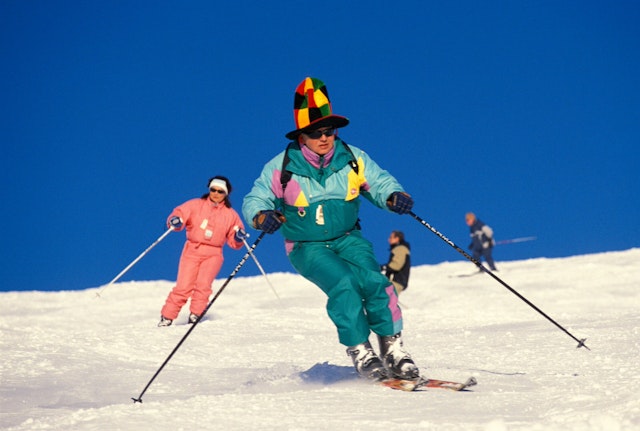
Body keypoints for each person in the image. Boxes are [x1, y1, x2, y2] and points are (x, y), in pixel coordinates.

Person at [242, 77, 419, 381]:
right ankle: (361, 351)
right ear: (302, 135)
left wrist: (393, 196)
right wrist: (261, 216)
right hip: (306, 246)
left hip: (349, 238)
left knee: (375, 282)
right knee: (345, 283)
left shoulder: (352, 158)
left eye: (329, 130)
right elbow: (255, 198)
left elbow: (378, 182)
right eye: (315, 132)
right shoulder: (281, 168)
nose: (324, 138)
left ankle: (392, 348)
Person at [158, 176, 248, 327]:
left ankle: (196, 314)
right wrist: (175, 220)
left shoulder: (230, 214)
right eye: (213, 190)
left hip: (213, 254)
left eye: (220, 191)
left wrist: (238, 237)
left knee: (203, 285)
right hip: (193, 249)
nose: (216, 194)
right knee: (183, 286)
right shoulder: (195, 205)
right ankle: (167, 317)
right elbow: (180, 213)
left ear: (225, 194)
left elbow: (234, 237)